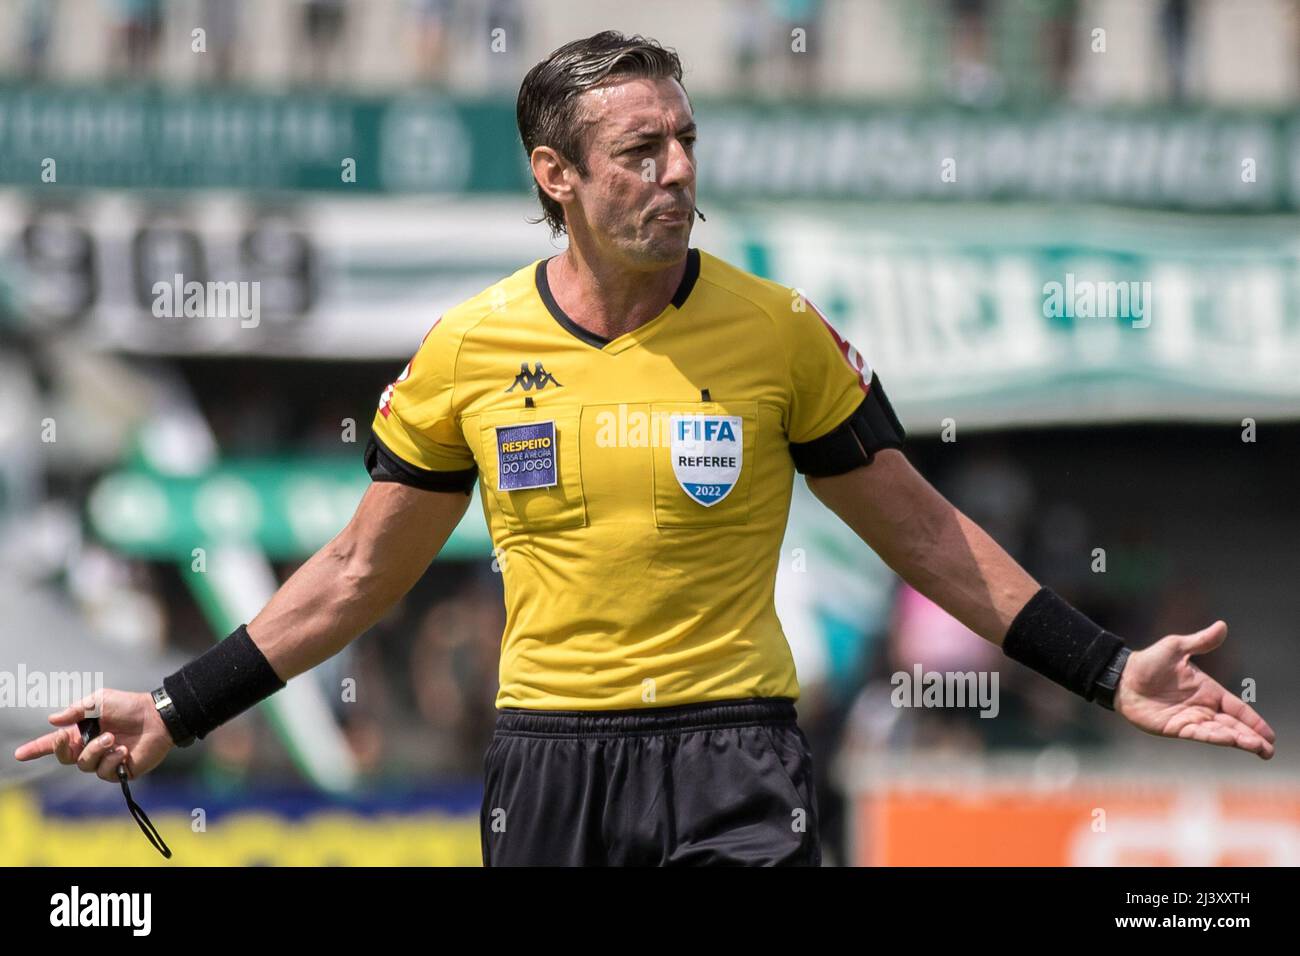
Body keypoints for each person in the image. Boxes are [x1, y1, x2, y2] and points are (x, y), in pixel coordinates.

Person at [14, 31, 1276, 867]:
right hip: (551, 764)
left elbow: (923, 532)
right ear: (555, 173)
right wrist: (179, 706)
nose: (677, 173)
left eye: (685, 144)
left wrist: (1107, 670)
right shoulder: (470, 349)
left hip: (735, 753)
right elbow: (353, 574)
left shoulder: (778, 333)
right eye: (640, 152)